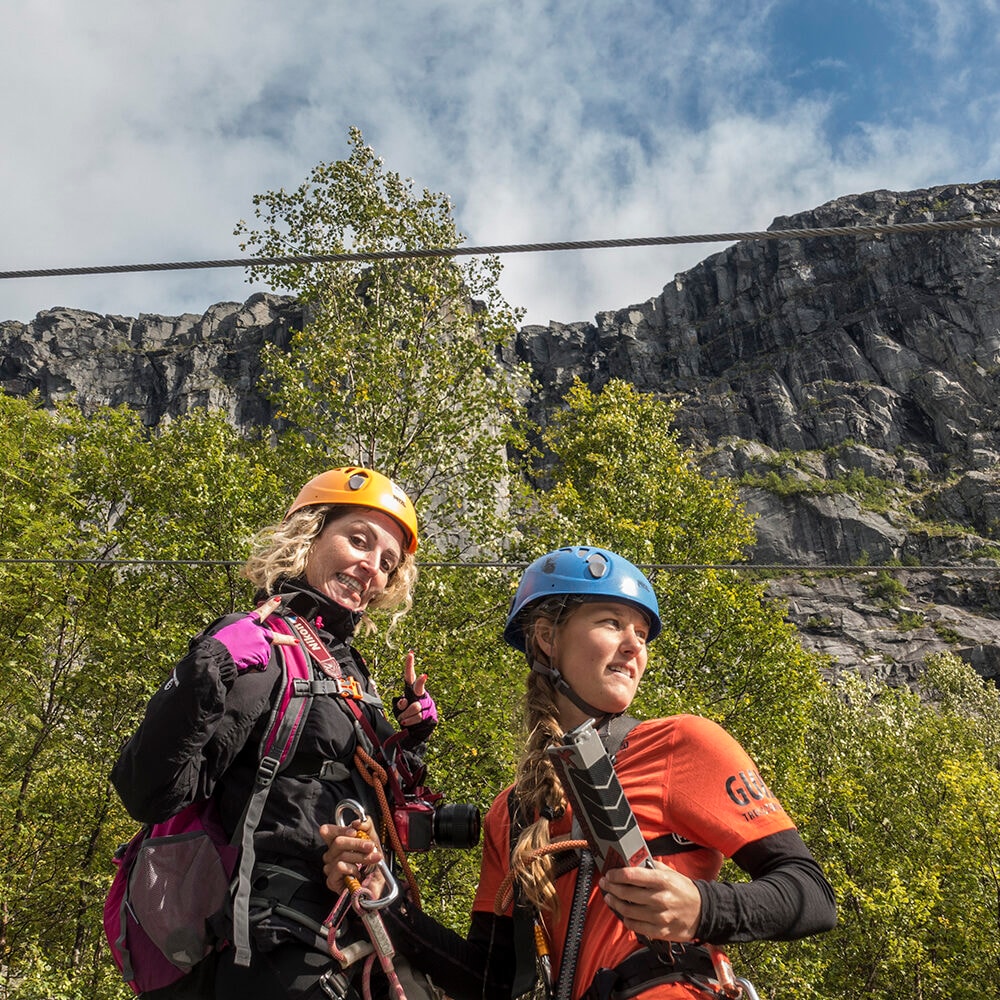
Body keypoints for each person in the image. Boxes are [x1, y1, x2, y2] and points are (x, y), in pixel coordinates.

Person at [322, 545, 837, 1000]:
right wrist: (381, 899)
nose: (635, 646)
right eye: (612, 623)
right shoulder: (514, 811)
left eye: (642, 632)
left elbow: (810, 895)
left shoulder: (683, 743)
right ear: (547, 638)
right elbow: (491, 980)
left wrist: (703, 908)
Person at [111, 466, 439, 1000]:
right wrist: (209, 666)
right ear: (310, 535)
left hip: (350, 923)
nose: (370, 567)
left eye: (387, 562)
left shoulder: (350, 669)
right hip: (271, 943)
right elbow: (148, 789)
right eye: (357, 540)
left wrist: (406, 737)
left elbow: (377, 805)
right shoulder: (261, 646)